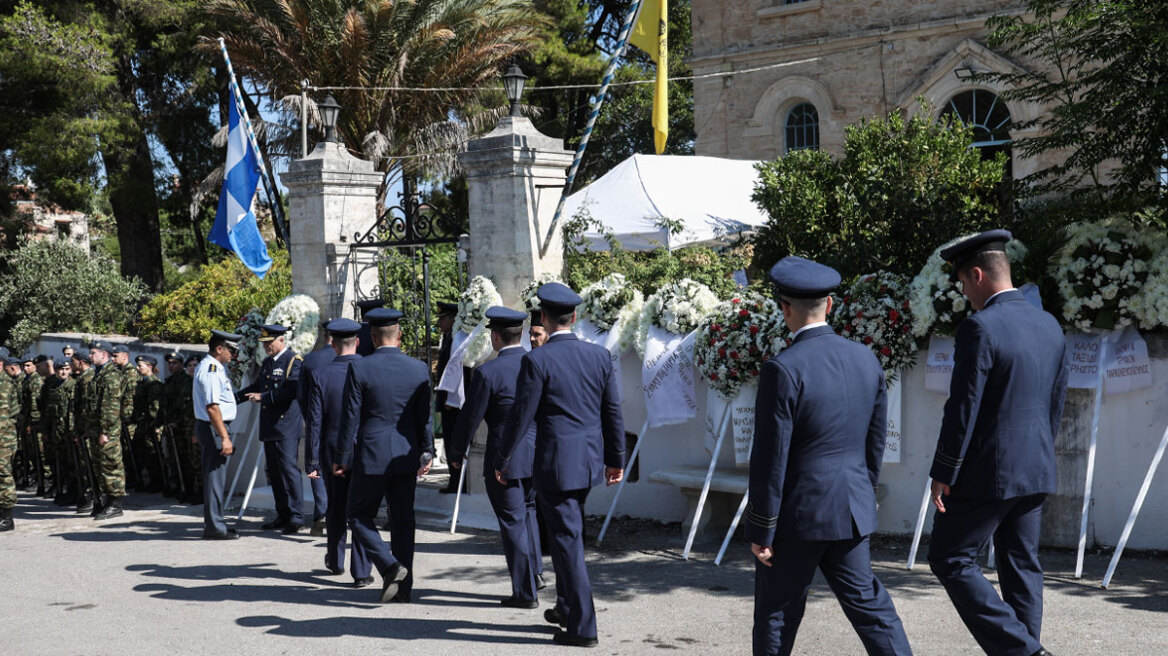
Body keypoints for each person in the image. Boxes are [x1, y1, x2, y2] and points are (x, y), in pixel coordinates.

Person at [745, 256, 913, 656]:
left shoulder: (783, 369)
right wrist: (864, 494)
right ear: (831, 305)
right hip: (850, 508)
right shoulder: (866, 358)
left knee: (777, 615)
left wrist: (762, 528)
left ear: (784, 308)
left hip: (798, 516)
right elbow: (875, 441)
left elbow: (771, 456)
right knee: (871, 609)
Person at [927, 230, 1069, 656]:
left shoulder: (980, 326)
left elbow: (963, 407)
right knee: (1021, 567)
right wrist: (1041, 452)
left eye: (964, 283)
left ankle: (1026, 652)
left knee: (950, 559)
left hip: (988, 471)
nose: (965, 292)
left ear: (977, 274)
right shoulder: (1048, 324)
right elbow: (1055, 402)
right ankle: (1026, 650)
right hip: (1036, 465)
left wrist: (943, 471)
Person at [495, 282, 625, 648]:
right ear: (575, 316)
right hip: (587, 462)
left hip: (555, 464)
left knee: (567, 543)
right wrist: (616, 458)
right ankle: (567, 607)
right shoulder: (599, 356)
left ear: (545, 319)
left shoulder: (536, 360)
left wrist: (504, 458)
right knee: (571, 534)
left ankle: (584, 628)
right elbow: (612, 411)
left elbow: (521, 416)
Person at [334, 308, 433, 603]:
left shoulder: (360, 368)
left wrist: (341, 455)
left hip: (372, 453)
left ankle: (389, 565)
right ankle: (404, 590)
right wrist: (427, 451)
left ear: (373, 338)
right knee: (403, 521)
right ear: (399, 336)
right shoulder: (418, 369)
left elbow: (349, 416)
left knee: (357, 515)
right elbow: (424, 418)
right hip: (405, 453)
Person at [449, 306, 543, 608]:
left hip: (505, 455)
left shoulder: (488, 372)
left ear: (495, 337)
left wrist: (456, 449)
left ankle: (525, 592)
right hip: (537, 451)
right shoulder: (538, 362)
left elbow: (470, 417)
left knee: (513, 521)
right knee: (529, 513)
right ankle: (536, 573)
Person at [305, 318, 370, 585]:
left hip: (332, 449)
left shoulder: (321, 375)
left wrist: (312, 459)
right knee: (361, 509)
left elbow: (315, 421)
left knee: (336, 506)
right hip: (365, 448)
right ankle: (362, 571)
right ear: (357, 342)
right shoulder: (369, 369)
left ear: (332, 344)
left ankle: (335, 559)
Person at [238, 324, 305, 535]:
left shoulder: (294, 361)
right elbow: (256, 388)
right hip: (269, 425)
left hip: (286, 426)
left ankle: (297, 517)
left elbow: (291, 390)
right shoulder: (267, 363)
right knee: (274, 473)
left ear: (281, 340)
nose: (266, 346)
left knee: (289, 471)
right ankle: (282, 514)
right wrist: (232, 400)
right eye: (264, 343)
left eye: (269, 342)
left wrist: (263, 398)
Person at [194, 330, 242, 540]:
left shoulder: (213, 367)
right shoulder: (212, 369)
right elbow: (213, 407)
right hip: (215, 427)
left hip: (211, 426)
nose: (233, 354)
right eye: (231, 350)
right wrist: (224, 436)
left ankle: (215, 523)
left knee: (215, 478)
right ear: (219, 349)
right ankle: (215, 526)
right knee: (215, 479)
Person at [297, 320, 336, 536]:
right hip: (344, 425)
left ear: (324, 337)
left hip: (317, 422)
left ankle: (322, 511)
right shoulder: (352, 360)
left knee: (316, 466)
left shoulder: (311, 360)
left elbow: (302, 396)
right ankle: (339, 512)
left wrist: (311, 418)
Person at [88, 341, 127, 521]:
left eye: (93, 353)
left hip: (107, 431)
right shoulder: (98, 375)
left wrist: (106, 431)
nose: (90, 356)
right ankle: (106, 501)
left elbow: (110, 407)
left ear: (103, 355)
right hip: (96, 430)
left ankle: (115, 504)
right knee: (100, 466)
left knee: (111, 465)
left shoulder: (111, 376)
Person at [161, 352, 200, 503]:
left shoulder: (189, 382)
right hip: (180, 425)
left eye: (175, 363)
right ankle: (183, 487)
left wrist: (177, 421)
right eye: (169, 363)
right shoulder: (172, 381)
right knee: (179, 458)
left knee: (193, 459)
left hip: (190, 426)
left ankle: (196, 490)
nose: (171, 366)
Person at [434, 300, 463, 494]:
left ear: (453, 319)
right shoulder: (447, 337)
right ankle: (454, 479)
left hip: (452, 401)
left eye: (442, 319)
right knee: (449, 439)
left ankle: (458, 481)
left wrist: (449, 398)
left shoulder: (456, 340)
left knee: (455, 440)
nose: (439, 323)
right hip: (446, 400)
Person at [129, 355, 165, 492]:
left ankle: (158, 482)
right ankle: (151, 481)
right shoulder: (142, 383)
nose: (138, 368)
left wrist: (155, 424)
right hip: (142, 424)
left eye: (140, 366)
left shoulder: (153, 384)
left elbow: (155, 407)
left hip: (150, 424)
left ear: (149, 367)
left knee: (153, 454)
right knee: (144, 454)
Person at [44, 358, 76, 507]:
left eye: (66, 369)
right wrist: (47, 431)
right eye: (60, 369)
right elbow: (49, 413)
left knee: (73, 465)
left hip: (70, 433)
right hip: (58, 432)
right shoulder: (54, 387)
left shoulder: (74, 386)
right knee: (60, 463)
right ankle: (63, 490)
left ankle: (75, 492)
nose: (63, 372)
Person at [70, 349, 98, 514]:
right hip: (82, 429)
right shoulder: (81, 379)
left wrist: (86, 429)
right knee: (83, 464)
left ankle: (93, 496)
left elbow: (89, 408)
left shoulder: (88, 379)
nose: (70, 365)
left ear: (80, 361)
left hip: (88, 430)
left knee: (90, 464)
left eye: (73, 361)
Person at [0, 356, 22, 532]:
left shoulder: (4, 386)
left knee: (3, 475)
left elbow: (4, 417)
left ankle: (7, 517)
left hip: (3, 440)